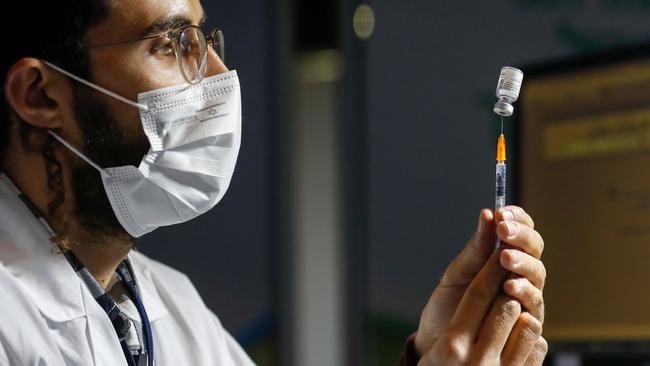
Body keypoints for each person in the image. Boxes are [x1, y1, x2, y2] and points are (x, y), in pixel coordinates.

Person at [0, 0, 547, 365]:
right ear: (40, 95)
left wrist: (430, 352)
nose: (218, 76)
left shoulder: (169, 304)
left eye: (204, 40)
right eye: (170, 45)